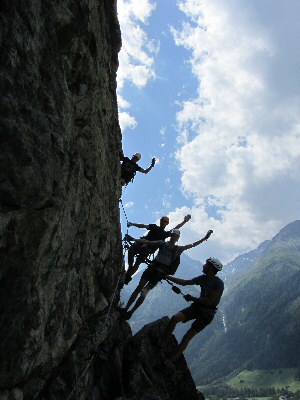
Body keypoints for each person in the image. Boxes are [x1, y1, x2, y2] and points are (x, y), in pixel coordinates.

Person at [120, 229, 213, 319]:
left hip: (156, 272)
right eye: (173, 235)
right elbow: (148, 242)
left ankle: (130, 311)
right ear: (171, 236)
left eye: (175, 236)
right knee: (140, 288)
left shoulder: (177, 248)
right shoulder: (164, 244)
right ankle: (126, 309)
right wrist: (133, 239)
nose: (173, 237)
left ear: (177, 238)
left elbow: (192, 245)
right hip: (154, 271)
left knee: (143, 291)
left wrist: (205, 238)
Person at [162, 257, 224, 363]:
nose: (204, 266)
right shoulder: (203, 278)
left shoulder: (219, 284)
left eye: (206, 264)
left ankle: (170, 360)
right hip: (198, 307)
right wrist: (166, 276)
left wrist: (192, 298)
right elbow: (184, 282)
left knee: (187, 336)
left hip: (207, 314)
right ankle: (161, 344)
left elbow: (210, 301)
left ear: (211, 268)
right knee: (175, 318)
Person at [124, 214, 192, 284]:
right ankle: (128, 272)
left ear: (167, 223)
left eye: (165, 221)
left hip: (147, 249)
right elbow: (143, 226)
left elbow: (176, 228)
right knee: (132, 253)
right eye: (162, 220)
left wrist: (184, 221)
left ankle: (127, 275)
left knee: (137, 262)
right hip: (142, 244)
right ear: (160, 221)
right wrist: (132, 224)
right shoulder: (154, 227)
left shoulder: (165, 234)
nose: (163, 222)